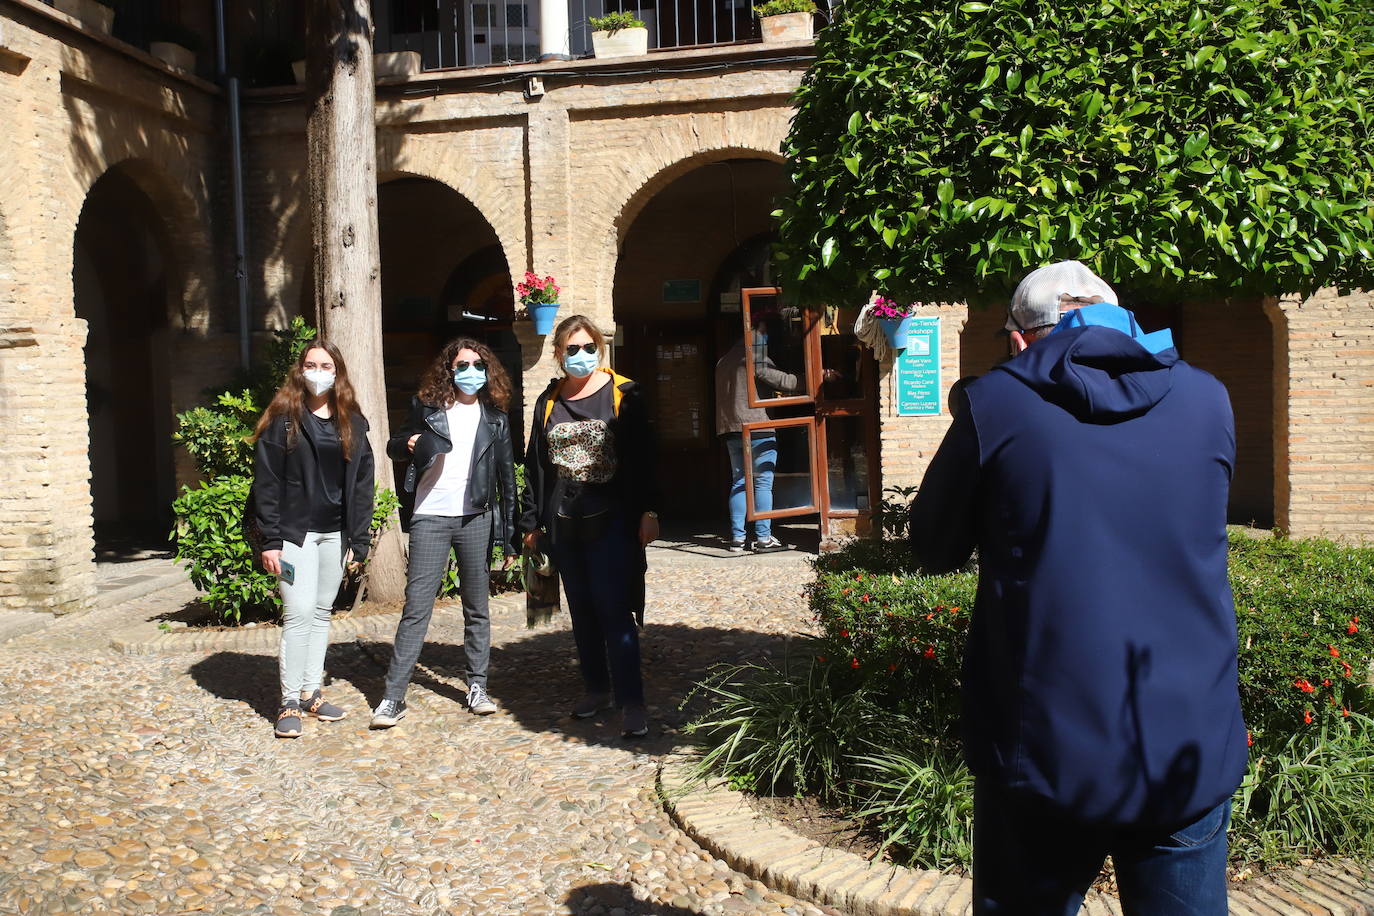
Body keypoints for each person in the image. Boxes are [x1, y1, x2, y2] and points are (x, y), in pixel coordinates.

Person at [907, 261, 1246, 915]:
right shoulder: (1210, 398)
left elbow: (933, 545)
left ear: (1020, 337)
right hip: (1184, 737)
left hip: (1044, 748)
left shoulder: (997, 402)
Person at [520, 314, 659, 738]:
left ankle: (631, 701)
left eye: (587, 347)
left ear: (599, 347)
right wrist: (530, 523)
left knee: (614, 610)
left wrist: (649, 511)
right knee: (581, 611)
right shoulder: (548, 400)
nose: (581, 355)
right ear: (559, 355)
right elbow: (535, 465)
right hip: (563, 522)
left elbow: (646, 457)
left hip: (613, 519)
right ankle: (596, 688)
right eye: (571, 349)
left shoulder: (625, 393)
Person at [371, 338, 518, 728]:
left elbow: (507, 480)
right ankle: (392, 697)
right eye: (463, 364)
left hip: (476, 518)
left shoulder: (496, 419)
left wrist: (508, 537)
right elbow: (393, 446)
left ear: (488, 372)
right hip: (430, 517)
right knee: (416, 609)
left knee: (477, 607)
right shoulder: (428, 409)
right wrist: (410, 442)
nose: (471, 371)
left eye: (478, 365)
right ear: (449, 370)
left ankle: (477, 686)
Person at [250, 340, 376, 738]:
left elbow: (362, 483)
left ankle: (311, 692)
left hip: (334, 535)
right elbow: (266, 484)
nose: (317, 370)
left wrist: (359, 539)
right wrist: (270, 541)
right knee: (298, 612)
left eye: (325, 364)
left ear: (337, 372)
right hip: (293, 536)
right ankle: (288, 702)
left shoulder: (351, 422)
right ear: (300, 371)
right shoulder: (282, 419)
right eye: (310, 364)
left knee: (321, 613)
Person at [714, 317, 835, 552]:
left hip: (730, 429)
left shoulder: (724, 360)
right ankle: (763, 538)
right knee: (762, 484)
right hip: (757, 427)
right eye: (764, 332)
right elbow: (780, 379)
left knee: (739, 482)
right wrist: (816, 375)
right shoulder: (752, 353)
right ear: (756, 333)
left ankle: (738, 538)